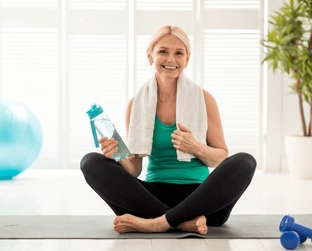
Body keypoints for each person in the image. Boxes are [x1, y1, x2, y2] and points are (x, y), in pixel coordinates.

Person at [80, 25, 256, 235]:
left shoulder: (205, 100)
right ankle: (181, 222)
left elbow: (219, 158)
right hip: (151, 197)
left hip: (201, 198)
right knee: (91, 162)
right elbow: (134, 169)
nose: (171, 59)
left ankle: (156, 223)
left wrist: (196, 147)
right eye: (163, 51)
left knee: (245, 162)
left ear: (187, 59)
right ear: (150, 56)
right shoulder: (136, 104)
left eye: (178, 53)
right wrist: (117, 155)